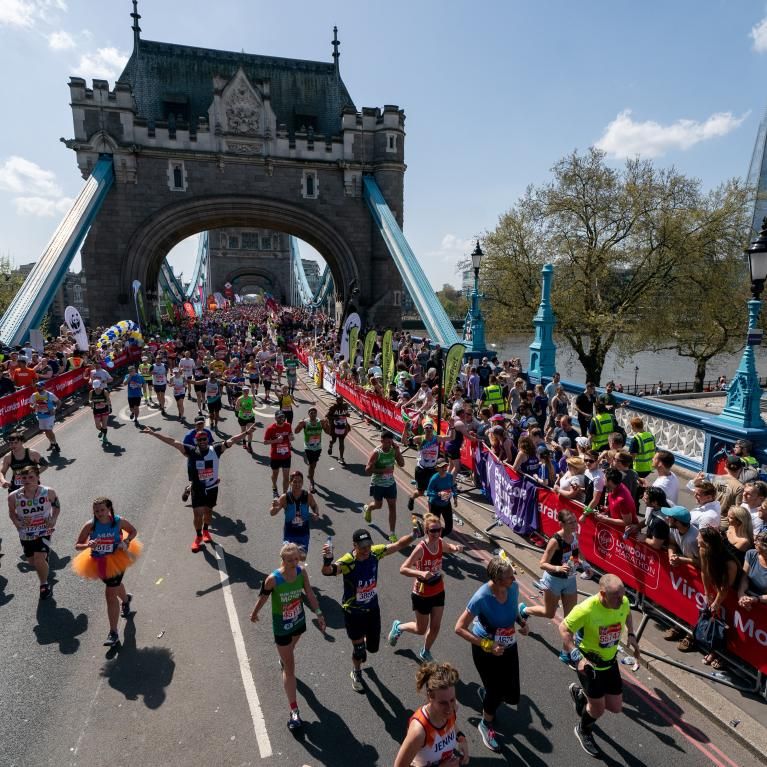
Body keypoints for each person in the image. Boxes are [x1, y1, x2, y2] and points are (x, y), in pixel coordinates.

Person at [321, 526, 418, 692]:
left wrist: (414, 535)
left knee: (373, 648)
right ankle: (356, 672)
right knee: (360, 651)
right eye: (362, 547)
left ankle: (361, 643)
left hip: (373, 609)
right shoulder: (348, 562)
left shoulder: (375, 553)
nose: (366, 550)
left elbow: (397, 546)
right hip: (353, 612)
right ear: (354, 545)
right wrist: (327, 560)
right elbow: (327, 572)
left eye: (368, 546)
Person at [454, 554, 528, 753]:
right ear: (496, 580)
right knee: (496, 691)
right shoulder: (481, 597)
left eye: (513, 575)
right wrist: (487, 644)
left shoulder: (513, 588)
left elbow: (513, 610)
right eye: (510, 577)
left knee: (512, 695)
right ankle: (485, 725)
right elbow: (459, 628)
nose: (514, 579)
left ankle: (487, 694)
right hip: (486, 650)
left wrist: (521, 622)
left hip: (509, 646)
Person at [141, 423, 255, 551]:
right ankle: (198, 536)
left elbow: (232, 440)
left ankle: (206, 530)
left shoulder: (216, 449)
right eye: (199, 440)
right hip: (197, 489)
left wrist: (246, 433)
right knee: (197, 515)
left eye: (204, 439)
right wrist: (153, 433)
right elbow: (173, 442)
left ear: (208, 439)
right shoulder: (191, 451)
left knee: (208, 512)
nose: (202, 441)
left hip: (212, 488)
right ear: (196, 441)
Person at [561, 573, 639, 757]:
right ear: (602, 594)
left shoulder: (623, 602)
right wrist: (576, 655)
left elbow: (627, 613)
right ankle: (583, 730)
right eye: (616, 597)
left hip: (610, 663)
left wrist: (632, 634)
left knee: (615, 707)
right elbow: (563, 628)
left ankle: (581, 695)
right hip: (589, 664)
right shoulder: (587, 609)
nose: (622, 601)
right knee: (598, 709)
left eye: (623, 595)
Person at [249, 542, 325, 731]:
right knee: (290, 667)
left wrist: (319, 613)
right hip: (282, 626)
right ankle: (294, 711)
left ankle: (284, 659)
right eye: (290, 560)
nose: (294, 563)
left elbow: (309, 592)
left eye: (296, 559)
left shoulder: (301, 573)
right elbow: (264, 597)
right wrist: (254, 612)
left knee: (289, 653)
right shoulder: (273, 579)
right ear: (282, 560)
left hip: (298, 621)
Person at [389, 512, 464, 662]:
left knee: (435, 627)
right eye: (433, 531)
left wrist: (456, 548)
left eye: (439, 530)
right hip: (421, 594)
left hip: (438, 590)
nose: (436, 533)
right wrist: (421, 573)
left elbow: (448, 548)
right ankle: (399, 627)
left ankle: (425, 651)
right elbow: (403, 568)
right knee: (420, 629)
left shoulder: (440, 542)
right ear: (426, 531)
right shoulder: (421, 549)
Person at [72, 497, 141, 646]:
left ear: (109, 509)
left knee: (110, 594)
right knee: (114, 586)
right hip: (98, 562)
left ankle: (113, 632)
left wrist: (126, 542)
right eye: (96, 511)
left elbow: (133, 531)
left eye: (102, 510)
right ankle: (126, 600)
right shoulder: (90, 525)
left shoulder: (118, 521)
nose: (99, 513)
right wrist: (87, 545)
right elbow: (77, 545)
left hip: (117, 559)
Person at [518, 510, 580, 664]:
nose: (575, 524)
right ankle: (524, 610)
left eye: (575, 521)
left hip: (571, 580)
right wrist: (558, 568)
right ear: (562, 524)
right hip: (554, 581)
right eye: (571, 522)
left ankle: (566, 651)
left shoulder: (574, 536)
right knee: (549, 613)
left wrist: (584, 565)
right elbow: (542, 563)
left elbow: (577, 554)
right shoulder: (555, 540)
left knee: (570, 619)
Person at [393, 662, 469, 767]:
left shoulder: (452, 708)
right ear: (430, 697)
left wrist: (461, 739)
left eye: (452, 699)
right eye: (443, 703)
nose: (449, 708)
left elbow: (452, 725)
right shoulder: (419, 731)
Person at [8, 465, 60, 599]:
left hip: (44, 529)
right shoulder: (14, 496)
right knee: (32, 562)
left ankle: (44, 584)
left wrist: (53, 519)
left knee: (39, 559)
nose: (27, 480)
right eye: (24, 477)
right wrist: (17, 522)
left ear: (38, 477)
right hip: (25, 533)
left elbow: (56, 507)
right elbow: (12, 513)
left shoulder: (48, 492)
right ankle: (44, 565)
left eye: (31, 477)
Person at [363, 430, 406, 543]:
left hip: (390, 484)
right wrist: (382, 470)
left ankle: (392, 533)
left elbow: (402, 464)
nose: (388, 445)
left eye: (390, 442)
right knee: (378, 505)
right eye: (386, 442)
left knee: (392, 507)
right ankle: (368, 508)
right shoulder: (377, 453)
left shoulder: (393, 450)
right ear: (381, 441)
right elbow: (367, 470)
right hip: (378, 484)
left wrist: (397, 451)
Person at [270, 470, 320, 559]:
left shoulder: (307, 495)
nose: (297, 484)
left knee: (302, 557)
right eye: (295, 482)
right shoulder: (285, 497)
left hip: (303, 533)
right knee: (287, 557)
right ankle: (289, 572)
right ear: (290, 482)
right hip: (289, 533)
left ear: (303, 482)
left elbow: (314, 505)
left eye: (300, 482)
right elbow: (272, 513)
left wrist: (316, 513)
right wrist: (274, 507)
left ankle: (296, 571)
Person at [592, 468, 638, 534]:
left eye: (604, 478)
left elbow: (627, 522)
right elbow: (616, 506)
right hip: (616, 529)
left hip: (626, 534)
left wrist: (605, 519)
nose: (603, 479)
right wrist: (607, 509)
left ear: (610, 481)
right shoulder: (615, 487)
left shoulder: (622, 499)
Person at [424, 460, 458, 537]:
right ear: (437, 468)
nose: (444, 468)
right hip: (435, 505)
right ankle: (434, 538)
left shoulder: (449, 476)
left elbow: (453, 486)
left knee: (449, 528)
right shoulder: (434, 479)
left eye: (445, 466)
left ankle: (440, 537)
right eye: (442, 467)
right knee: (434, 526)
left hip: (446, 504)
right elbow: (428, 492)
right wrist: (439, 494)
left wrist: (455, 497)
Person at [265, 410, 294, 497]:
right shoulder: (270, 428)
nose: (281, 419)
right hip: (275, 456)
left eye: (283, 417)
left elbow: (291, 435)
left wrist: (291, 437)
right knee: (275, 474)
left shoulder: (288, 426)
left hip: (286, 455)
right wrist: (276, 440)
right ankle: (274, 487)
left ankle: (284, 494)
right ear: (275, 418)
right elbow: (265, 442)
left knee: (286, 476)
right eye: (279, 417)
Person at [738, 530, 767, 609]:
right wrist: (741, 594)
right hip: (747, 598)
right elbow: (745, 577)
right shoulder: (751, 554)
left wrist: (756, 599)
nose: (754, 543)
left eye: (757, 541)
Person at [29, 380, 60, 452]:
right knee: (46, 431)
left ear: (43, 387)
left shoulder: (50, 395)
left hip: (49, 415)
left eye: (39, 386)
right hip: (40, 415)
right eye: (37, 386)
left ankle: (55, 444)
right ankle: (52, 443)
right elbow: (30, 405)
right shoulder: (34, 395)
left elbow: (58, 402)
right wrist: (33, 406)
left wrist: (55, 409)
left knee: (49, 430)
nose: (38, 388)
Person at [325, 396, 351, 465]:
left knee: (341, 442)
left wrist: (347, 415)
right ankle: (331, 444)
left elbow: (346, 414)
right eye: (339, 400)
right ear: (336, 401)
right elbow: (327, 416)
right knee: (334, 440)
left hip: (343, 427)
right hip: (334, 427)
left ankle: (341, 458)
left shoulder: (345, 406)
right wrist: (335, 417)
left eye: (341, 400)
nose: (340, 401)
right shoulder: (333, 407)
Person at [89, 379, 112, 445]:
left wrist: (104, 403)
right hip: (96, 411)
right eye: (95, 387)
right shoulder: (91, 392)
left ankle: (104, 437)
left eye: (97, 387)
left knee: (104, 425)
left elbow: (109, 402)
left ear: (100, 385)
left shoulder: (105, 392)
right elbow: (90, 400)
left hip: (104, 410)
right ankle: (102, 431)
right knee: (97, 426)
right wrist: (91, 403)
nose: (96, 388)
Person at [234, 385, 256, 450]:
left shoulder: (251, 398)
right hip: (242, 418)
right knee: (243, 431)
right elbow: (236, 408)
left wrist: (254, 405)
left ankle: (249, 444)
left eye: (247, 390)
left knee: (250, 431)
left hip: (250, 417)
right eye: (244, 391)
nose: (246, 392)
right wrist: (243, 409)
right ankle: (244, 442)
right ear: (242, 392)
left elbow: (253, 405)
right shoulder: (240, 399)